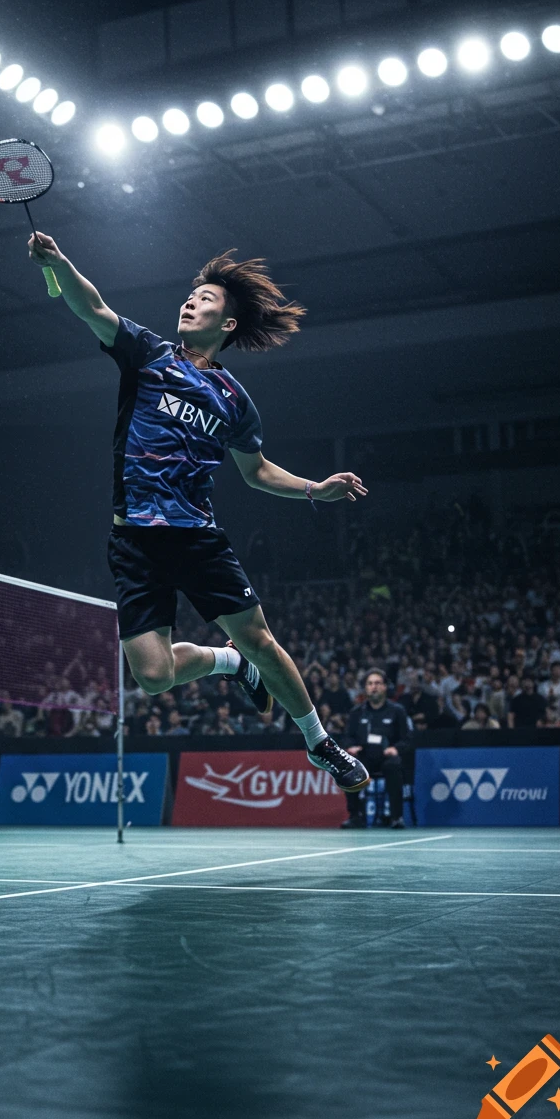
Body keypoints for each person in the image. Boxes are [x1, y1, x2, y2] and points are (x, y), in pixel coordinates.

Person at [27, 234, 370, 797]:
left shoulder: (234, 400)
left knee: (259, 636)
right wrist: (61, 262)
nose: (190, 303)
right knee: (154, 678)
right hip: (134, 541)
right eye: (190, 296)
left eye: (205, 299)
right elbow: (91, 305)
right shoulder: (148, 354)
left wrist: (316, 489)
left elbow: (256, 471)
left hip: (195, 537)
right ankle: (227, 664)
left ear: (227, 324)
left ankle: (317, 740)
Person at [341, 669, 412, 828]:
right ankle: (355, 816)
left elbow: (407, 740)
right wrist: (351, 747)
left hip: (388, 758)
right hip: (365, 758)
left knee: (394, 766)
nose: (374, 687)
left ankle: (396, 817)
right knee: (348, 767)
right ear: (366, 688)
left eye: (378, 683)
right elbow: (347, 737)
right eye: (370, 684)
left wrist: (396, 749)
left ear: (385, 687)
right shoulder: (357, 712)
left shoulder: (397, 711)